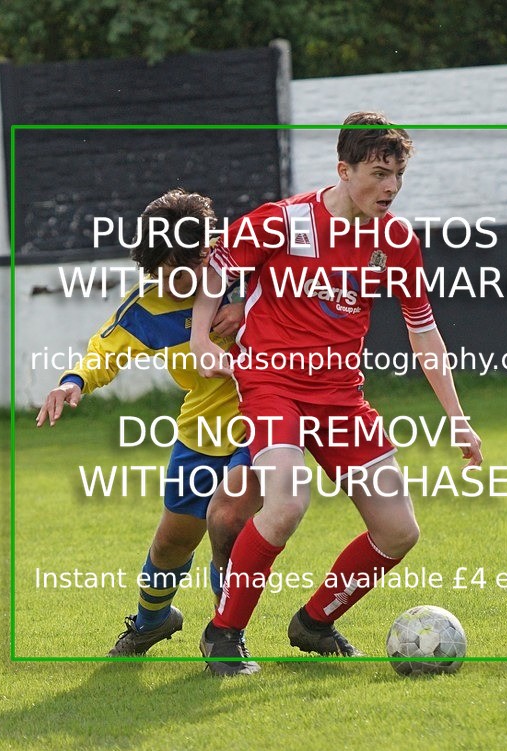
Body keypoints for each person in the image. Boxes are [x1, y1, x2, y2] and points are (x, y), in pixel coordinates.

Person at [190, 112, 483, 675]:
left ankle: (314, 622)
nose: (391, 187)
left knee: (398, 531)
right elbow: (216, 270)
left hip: (341, 397)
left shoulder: (395, 241)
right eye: (379, 174)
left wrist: (458, 417)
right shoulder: (283, 221)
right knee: (286, 504)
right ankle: (224, 633)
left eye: (398, 175)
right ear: (344, 171)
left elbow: (423, 330)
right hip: (272, 383)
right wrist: (201, 338)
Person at [36, 188, 261, 657]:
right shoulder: (146, 308)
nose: (173, 280)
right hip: (201, 433)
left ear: (206, 253)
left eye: (184, 267)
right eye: (162, 270)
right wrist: (74, 381)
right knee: (172, 543)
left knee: (230, 523)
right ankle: (151, 622)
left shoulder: (246, 273)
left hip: (263, 424)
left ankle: (226, 636)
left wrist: (248, 307)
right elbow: (104, 351)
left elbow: (301, 290)